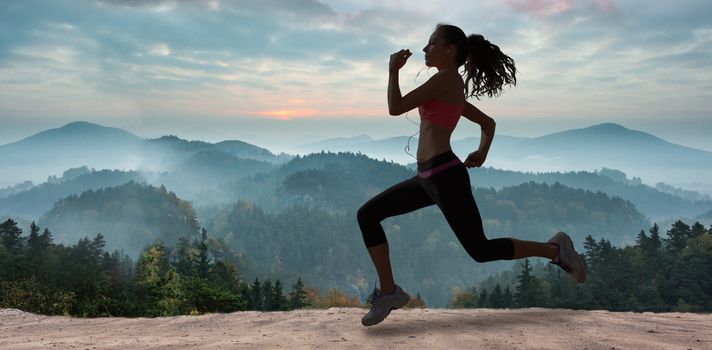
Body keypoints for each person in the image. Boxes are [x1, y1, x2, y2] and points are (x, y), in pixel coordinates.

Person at [356, 23, 587, 327]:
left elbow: (395, 107)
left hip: (445, 177)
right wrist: (482, 152)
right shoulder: (449, 86)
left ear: (450, 49)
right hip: (427, 178)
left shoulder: (448, 78)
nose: (425, 50)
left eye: (431, 43)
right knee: (368, 214)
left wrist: (392, 70)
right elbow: (488, 123)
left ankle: (555, 250)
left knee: (480, 249)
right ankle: (389, 292)